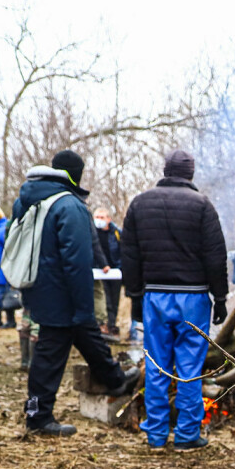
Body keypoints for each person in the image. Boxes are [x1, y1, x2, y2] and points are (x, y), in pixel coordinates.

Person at [16, 150, 139, 437]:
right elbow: (77, 260)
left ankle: (114, 379)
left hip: (38, 287)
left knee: (86, 337)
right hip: (63, 294)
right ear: (76, 174)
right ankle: (37, 416)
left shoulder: (30, 200)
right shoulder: (69, 205)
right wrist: (84, 304)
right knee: (51, 353)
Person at [120, 148, 229, 451]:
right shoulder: (202, 205)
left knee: (156, 365)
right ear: (190, 174)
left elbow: (129, 255)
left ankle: (155, 434)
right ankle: (186, 434)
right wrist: (220, 298)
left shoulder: (140, 203)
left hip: (155, 295)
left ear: (165, 171)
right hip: (193, 298)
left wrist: (135, 295)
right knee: (190, 368)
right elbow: (215, 255)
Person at [92, 208, 124, 335]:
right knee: (105, 300)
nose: (99, 220)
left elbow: (122, 250)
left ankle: (112, 325)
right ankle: (103, 325)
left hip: (115, 272)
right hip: (99, 271)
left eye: (102, 217)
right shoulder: (92, 232)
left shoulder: (116, 232)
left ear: (108, 219)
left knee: (114, 300)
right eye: (97, 217)